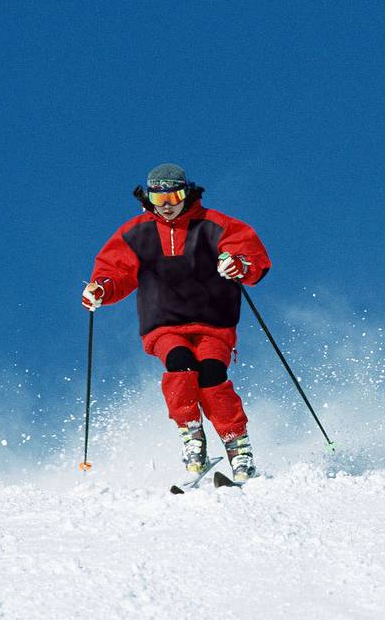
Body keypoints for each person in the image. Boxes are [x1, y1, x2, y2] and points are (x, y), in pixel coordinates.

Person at [82, 163, 271, 481]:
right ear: (148, 199)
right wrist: (100, 288)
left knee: (212, 375)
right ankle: (192, 435)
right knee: (181, 367)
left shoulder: (214, 225)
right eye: (159, 200)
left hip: (213, 321)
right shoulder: (136, 232)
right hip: (164, 323)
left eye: (174, 196)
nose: (167, 206)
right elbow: (115, 271)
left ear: (189, 193)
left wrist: (238, 265)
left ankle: (237, 447)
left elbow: (250, 255)